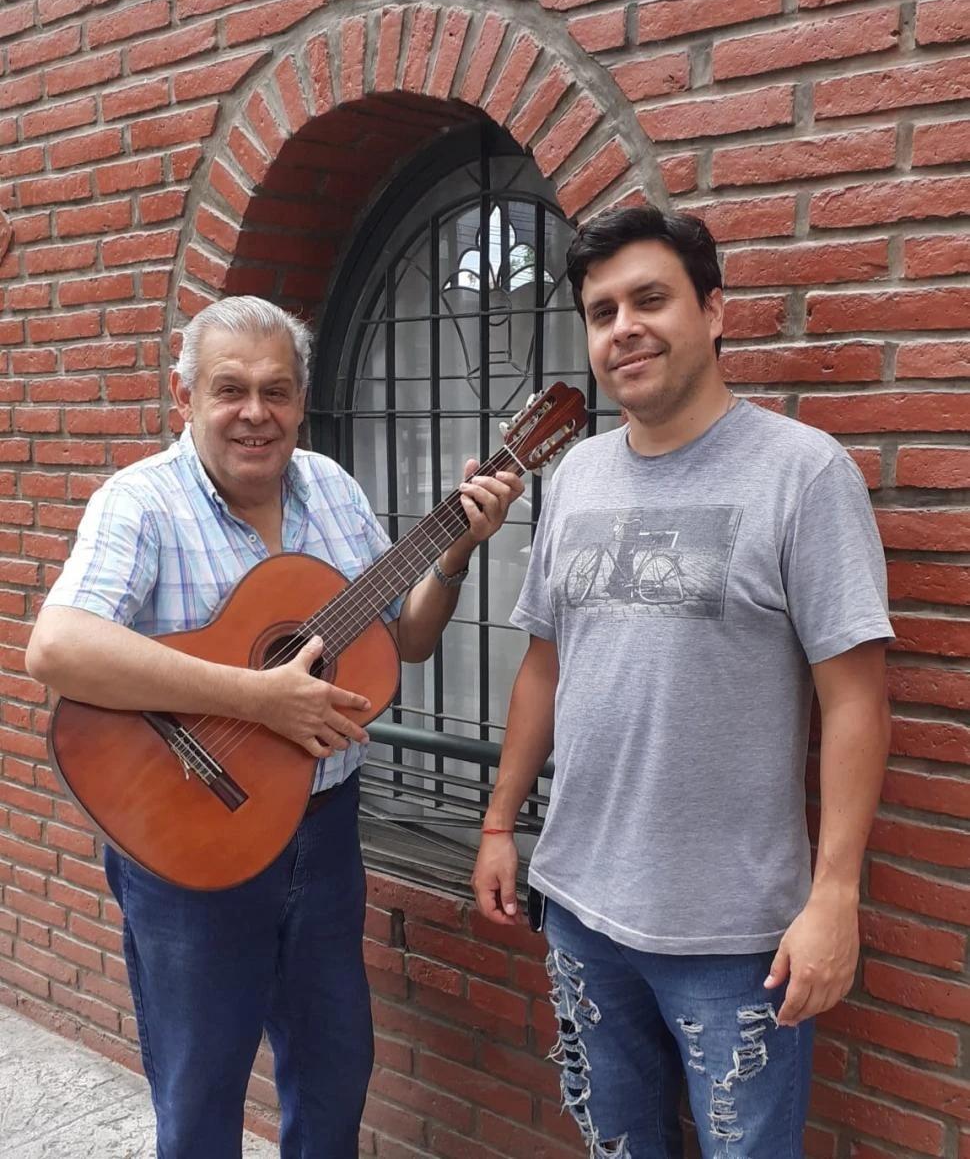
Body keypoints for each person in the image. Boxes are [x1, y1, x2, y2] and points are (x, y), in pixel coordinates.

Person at [26, 295, 523, 1159]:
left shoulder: (330, 487)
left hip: (325, 834)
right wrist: (253, 698)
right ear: (184, 400)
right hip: (189, 844)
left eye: (278, 391)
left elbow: (405, 632)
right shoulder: (139, 504)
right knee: (202, 1090)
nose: (256, 413)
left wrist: (453, 553)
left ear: (299, 400)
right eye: (230, 390)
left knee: (336, 1069)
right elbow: (58, 646)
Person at [471, 206, 892, 1159]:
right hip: (579, 908)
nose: (624, 328)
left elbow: (855, 699)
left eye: (650, 299)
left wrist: (836, 895)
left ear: (712, 311)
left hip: (735, 936)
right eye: (601, 309)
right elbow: (544, 662)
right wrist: (500, 823)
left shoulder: (802, 475)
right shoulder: (575, 475)